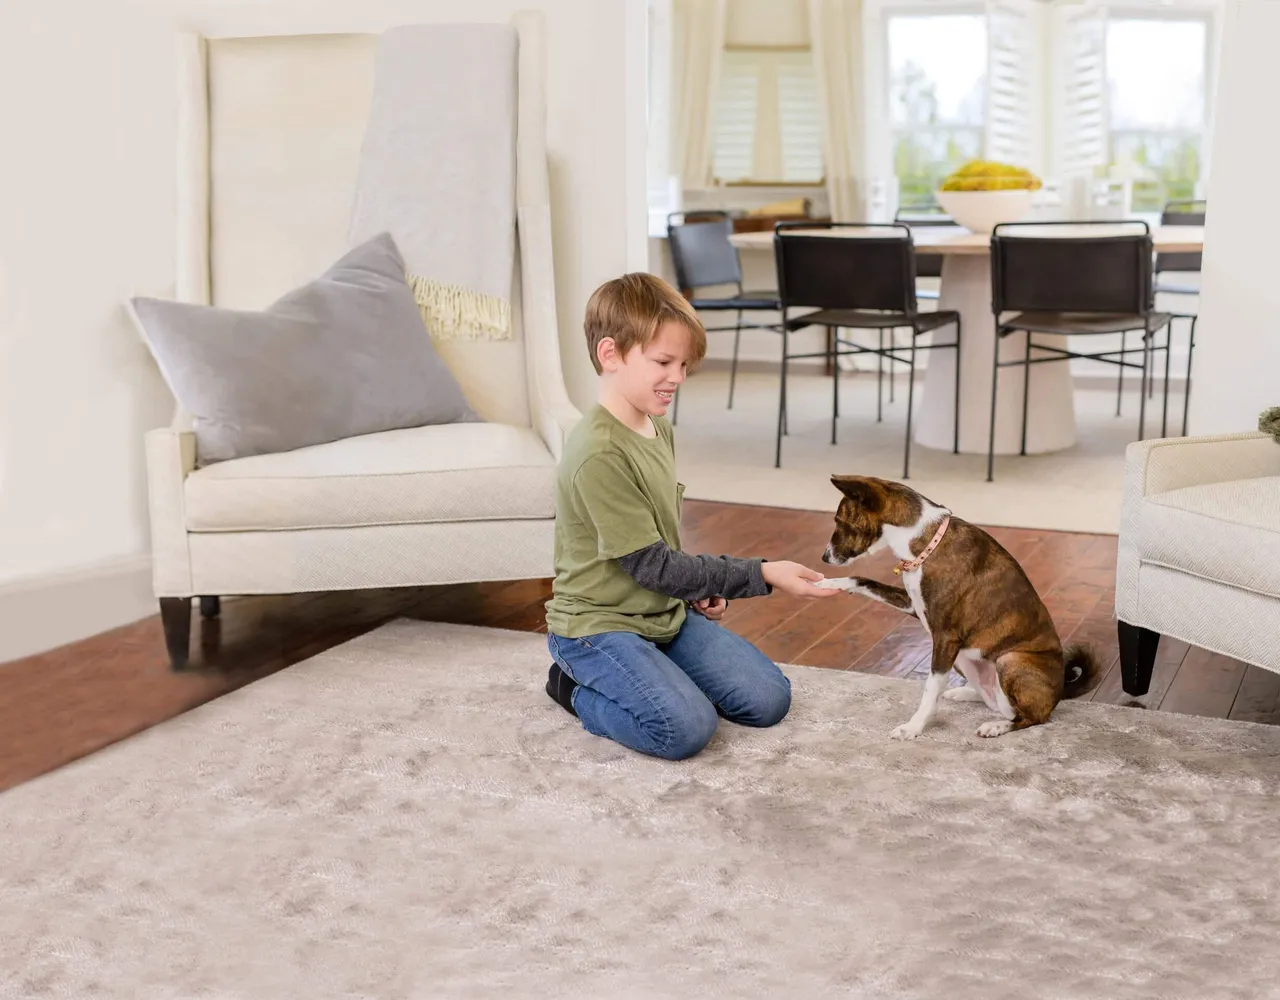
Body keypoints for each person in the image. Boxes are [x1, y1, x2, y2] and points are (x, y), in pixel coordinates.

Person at [543, 271, 837, 760]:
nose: (677, 377)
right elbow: (653, 566)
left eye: (684, 364)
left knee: (768, 701)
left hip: (661, 614)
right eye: (663, 362)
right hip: (599, 627)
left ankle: (651, 668)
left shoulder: (656, 426)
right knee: (682, 729)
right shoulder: (598, 454)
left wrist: (701, 589)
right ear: (611, 354)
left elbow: (661, 546)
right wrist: (763, 573)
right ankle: (569, 686)